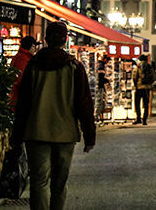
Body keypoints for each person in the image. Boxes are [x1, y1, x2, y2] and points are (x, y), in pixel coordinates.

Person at [12, 22, 95, 210]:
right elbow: (84, 104)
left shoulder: (33, 65)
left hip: (36, 130)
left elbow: (23, 103)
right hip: (65, 133)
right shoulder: (74, 66)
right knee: (59, 182)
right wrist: (90, 136)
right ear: (65, 40)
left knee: (39, 181)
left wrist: (17, 134)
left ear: (46, 39)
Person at [9, 36, 38, 110]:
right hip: (20, 99)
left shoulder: (18, 57)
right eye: (35, 47)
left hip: (15, 97)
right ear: (32, 46)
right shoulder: (25, 59)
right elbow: (21, 81)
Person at [132, 55, 153, 125]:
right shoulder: (149, 66)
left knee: (137, 103)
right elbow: (153, 76)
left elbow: (134, 76)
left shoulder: (138, 66)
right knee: (146, 104)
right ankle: (144, 119)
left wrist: (135, 84)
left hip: (139, 87)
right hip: (147, 88)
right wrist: (149, 84)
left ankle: (138, 118)